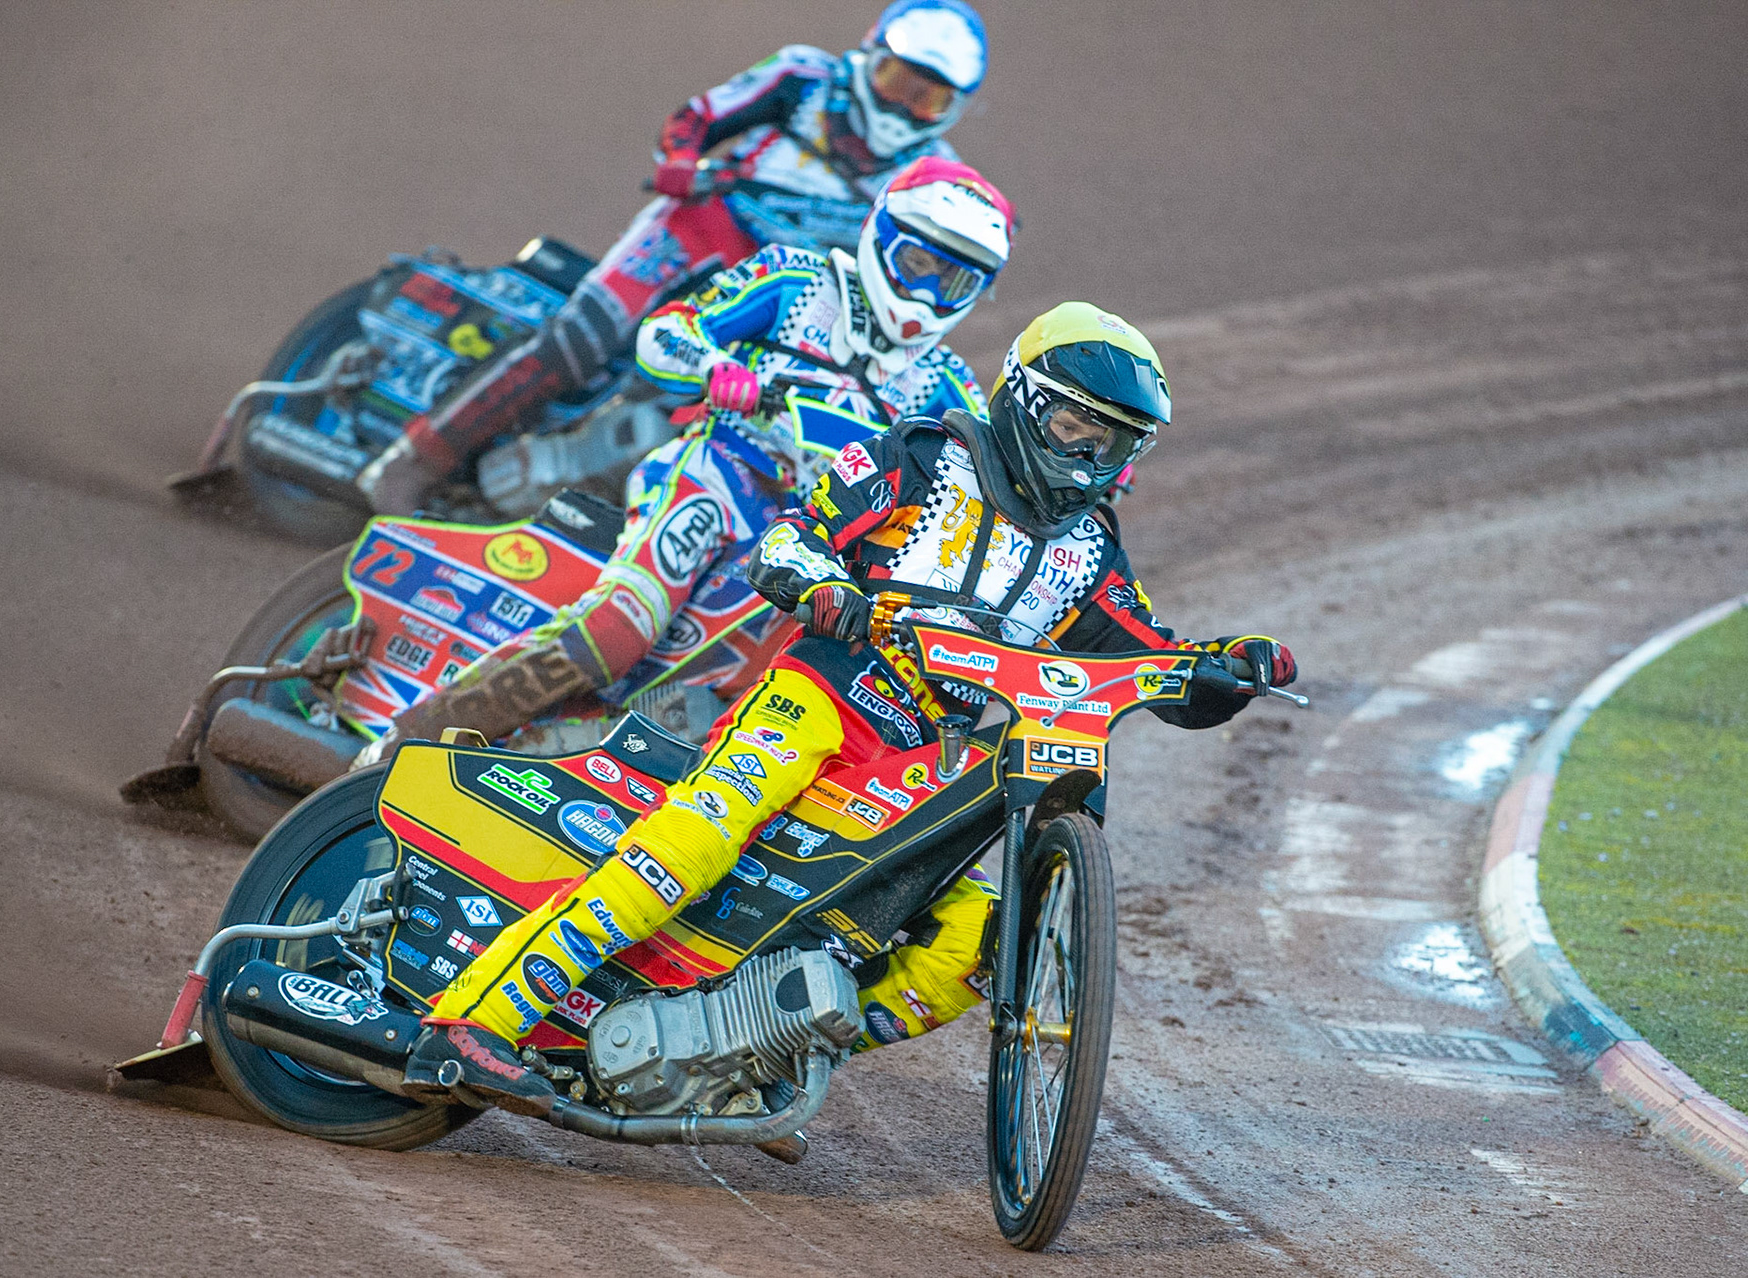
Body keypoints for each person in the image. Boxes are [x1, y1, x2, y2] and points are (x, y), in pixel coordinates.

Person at [400, 302, 1299, 1114]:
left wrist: (1225, 668)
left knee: (973, 945)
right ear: (1025, 398)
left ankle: (747, 1061)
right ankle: (473, 1020)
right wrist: (821, 581)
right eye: (1076, 427)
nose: (1090, 458)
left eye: (1115, 444)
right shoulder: (923, 454)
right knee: (698, 839)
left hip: (917, 759)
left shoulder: (1093, 550)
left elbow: (1147, 655)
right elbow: (795, 531)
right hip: (824, 690)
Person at [351, 157, 1013, 763]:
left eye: (953, 280)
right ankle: (396, 745)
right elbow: (665, 332)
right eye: (917, 264)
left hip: (803, 551)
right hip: (715, 476)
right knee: (614, 633)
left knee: (742, 703)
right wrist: (719, 365)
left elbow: (973, 501)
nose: (926, 293)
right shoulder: (797, 281)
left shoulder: (948, 388)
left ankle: (563, 766)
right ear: (879, 236)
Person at [356, 0, 993, 515]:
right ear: (870, 53)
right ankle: (412, 464)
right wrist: (682, 165)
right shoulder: (803, 76)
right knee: (582, 338)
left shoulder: (937, 176)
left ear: (955, 109)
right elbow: (698, 116)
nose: (905, 107)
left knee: (719, 414)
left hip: (784, 293)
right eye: (898, 81)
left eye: (929, 99)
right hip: (700, 226)